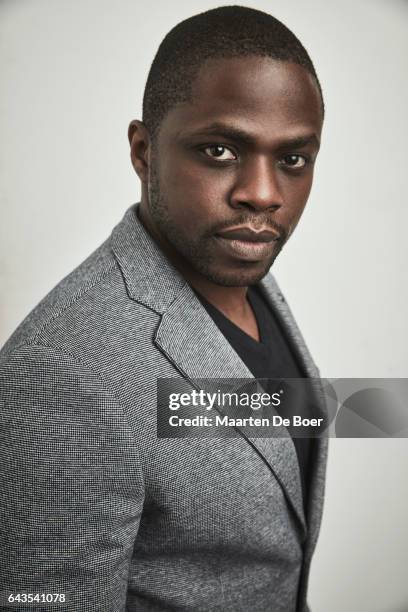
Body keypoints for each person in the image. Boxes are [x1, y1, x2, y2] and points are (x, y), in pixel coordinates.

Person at [0, 6, 328, 611]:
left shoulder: (240, 271)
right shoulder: (66, 373)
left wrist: (384, 407)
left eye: (293, 160)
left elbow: (240, 425)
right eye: (221, 150)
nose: (263, 193)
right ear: (144, 151)